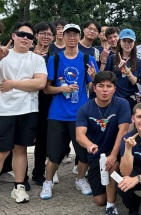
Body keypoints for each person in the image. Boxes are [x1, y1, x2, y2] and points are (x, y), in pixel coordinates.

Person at [40, 23, 99, 200]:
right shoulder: (55, 59)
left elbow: (94, 87)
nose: (72, 38)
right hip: (57, 113)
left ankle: (80, 179)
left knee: (83, 153)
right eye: (68, 35)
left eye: (75, 35)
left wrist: (95, 77)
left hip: (80, 113)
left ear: (79, 37)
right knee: (54, 153)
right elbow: (46, 89)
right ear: (63, 37)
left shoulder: (87, 59)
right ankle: (48, 182)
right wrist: (62, 89)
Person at [0, 22, 48, 203]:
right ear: (13, 36)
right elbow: (32, 83)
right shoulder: (3, 54)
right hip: (4, 110)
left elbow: (39, 83)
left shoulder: (37, 59)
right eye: (21, 34)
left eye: (29, 36)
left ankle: (19, 187)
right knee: (2, 151)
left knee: (21, 149)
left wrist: (12, 84)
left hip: (28, 110)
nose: (25, 38)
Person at [76, 71, 131, 215]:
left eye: (109, 86)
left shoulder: (122, 104)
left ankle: (111, 206)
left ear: (114, 89)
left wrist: (113, 155)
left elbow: (123, 130)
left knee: (112, 167)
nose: (105, 90)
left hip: (118, 152)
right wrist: (89, 145)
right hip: (96, 156)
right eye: (101, 86)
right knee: (100, 200)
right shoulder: (85, 109)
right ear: (95, 88)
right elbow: (79, 135)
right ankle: (113, 190)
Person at [30, 21, 59, 186]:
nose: (46, 36)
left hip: (48, 100)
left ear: (53, 37)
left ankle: (39, 173)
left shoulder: (55, 56)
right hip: (29, 100)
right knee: (27, 139)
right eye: (43, 33)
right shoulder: (27, 53)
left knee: (43, 138)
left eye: (49, 34)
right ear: (36, 35)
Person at [105, 28, 141, 112]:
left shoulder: (137, 62)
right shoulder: (112, 58)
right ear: (120, 42)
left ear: (134, 43)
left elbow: (134, 81)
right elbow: (106, 78)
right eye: (124, 41)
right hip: (113, 98)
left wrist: (126, 69)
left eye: (130, 41)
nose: (127, 44)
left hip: (129, 98)